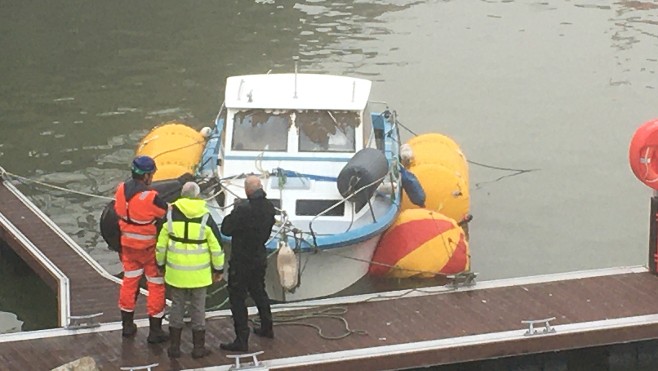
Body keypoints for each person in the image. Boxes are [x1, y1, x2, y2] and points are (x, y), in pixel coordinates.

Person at [156, 181, 225, 359]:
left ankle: (174, 348)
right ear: (197, 195)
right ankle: (198, 348)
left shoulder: (170, 215)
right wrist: (218, 269)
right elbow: (216, 247)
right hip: (199, 274)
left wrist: (160, 265)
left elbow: (161, 245)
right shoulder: (206, 216)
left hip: (176, 272)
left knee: (177, 307)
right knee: (198, 309)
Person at [113, 155, 169, 343]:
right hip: (148, 249)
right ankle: (155, 331)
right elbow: (164, 212)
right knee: (156, 285)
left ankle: (127, 326)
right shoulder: (151, 197)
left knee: (129, 282)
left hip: (127, 246)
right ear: (146, 176)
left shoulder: (121, 189)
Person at [220, 175, 276, 352]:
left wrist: (235, 209)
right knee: (259, 291)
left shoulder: (243, 210)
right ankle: (267, 327)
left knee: (237, 297)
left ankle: (241, 339)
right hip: (259, 255)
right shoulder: (269, 207)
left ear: (246, 190)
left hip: (241, 258)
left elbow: (226, 229)